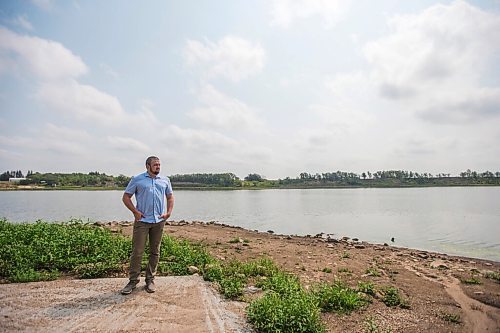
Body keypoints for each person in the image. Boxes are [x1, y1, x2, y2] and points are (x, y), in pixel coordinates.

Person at [120, 156, 174, 295]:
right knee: (137, 252)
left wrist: (168, 212)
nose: (158, 167)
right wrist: (135, 212)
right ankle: (133, 281)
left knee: (155, 251)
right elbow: (126, 197)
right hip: (142, 222)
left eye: (159, 165)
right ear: (147, 166)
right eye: (155, 164)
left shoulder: (165, 180)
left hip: (158, 221)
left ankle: (150, 280)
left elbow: (170, 196)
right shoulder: (137, 179)